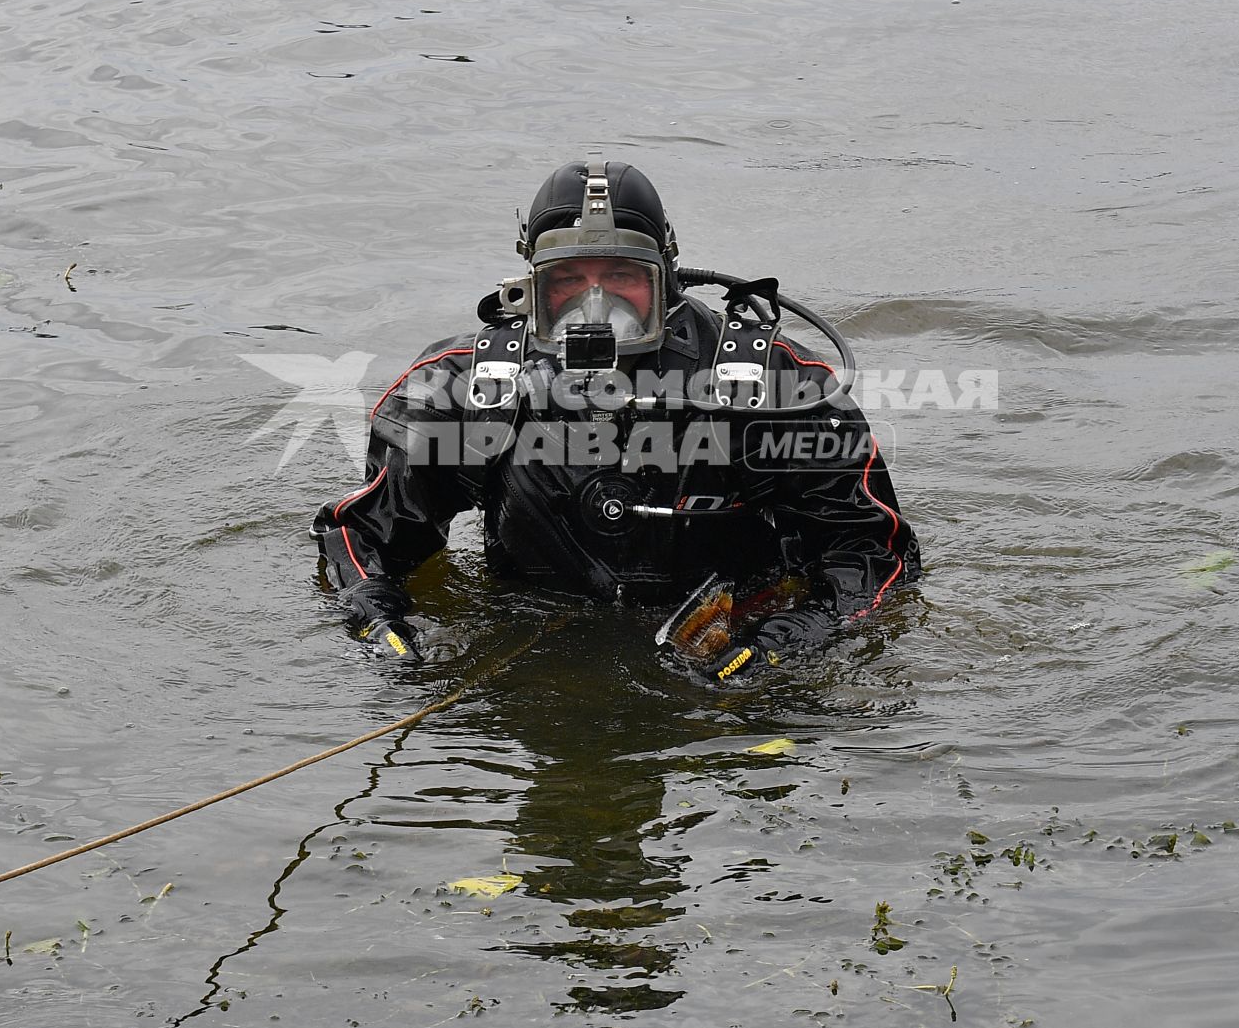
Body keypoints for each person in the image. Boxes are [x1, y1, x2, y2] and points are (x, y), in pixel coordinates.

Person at [310, 160, 920, 682]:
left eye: (622, 278)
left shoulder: (778, 385)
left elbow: (873, 553)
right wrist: (380, 626)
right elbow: (365, 538)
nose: (595, 304)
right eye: (569, 280)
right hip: (538, 634)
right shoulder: (460, 386)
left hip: (735, 632)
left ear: (667, 277)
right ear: (531, 288)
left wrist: (781, 643)